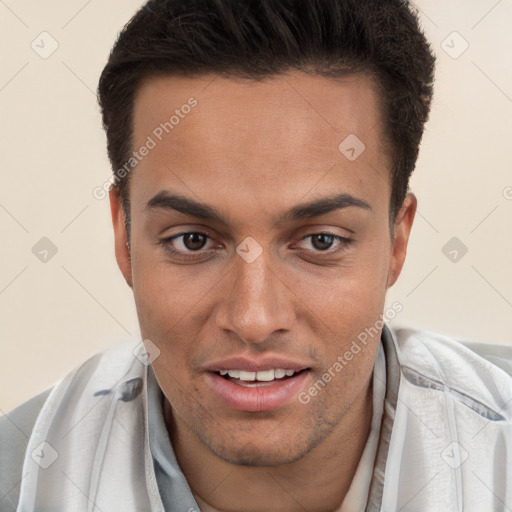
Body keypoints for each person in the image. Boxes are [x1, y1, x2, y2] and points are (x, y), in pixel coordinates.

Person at [1, 0, 511, 510]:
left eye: (321, 241)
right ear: (124, 236)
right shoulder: (20, 473)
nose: (254, 318)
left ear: (397, 241)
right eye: (193, 241)